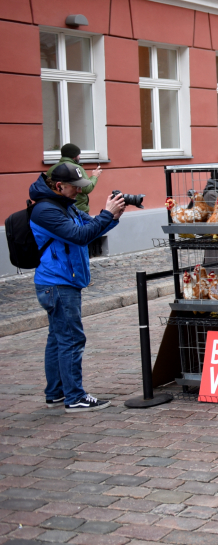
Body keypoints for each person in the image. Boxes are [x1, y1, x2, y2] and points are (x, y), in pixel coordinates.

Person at [30, 164, 125, 412]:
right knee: (72, 339)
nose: (80, 193)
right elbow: (78, 236)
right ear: (59, 186)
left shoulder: (64, 205)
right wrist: (107, 213)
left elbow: (90, 229)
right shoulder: (45, 211)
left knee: (57, 339)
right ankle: (75, 397)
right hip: (58, 283)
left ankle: (56, 393)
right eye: (76, 187)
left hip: (63, 281)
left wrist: (112, 217)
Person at [46, 144, 101, 214]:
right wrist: (94, 176)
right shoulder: (76, 168)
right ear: (74, 156)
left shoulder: (51, 169)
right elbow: (86, 188)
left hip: (57, 207)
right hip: (77, 208)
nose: (79, 157)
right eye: (78, 154)